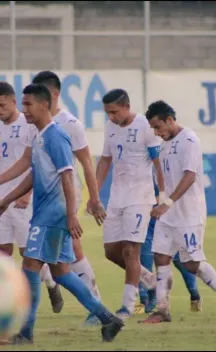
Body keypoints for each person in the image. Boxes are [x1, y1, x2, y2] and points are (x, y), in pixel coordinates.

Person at [0, 83, 123, 345]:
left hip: (52, 215)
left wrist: (71, 215)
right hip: (48, 214)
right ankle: (108, 318)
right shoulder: (39, 135)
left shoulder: (55, 135)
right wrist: (7, 199)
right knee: (61, 273)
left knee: (30, 268)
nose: (25, 110)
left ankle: (25, 332)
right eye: (23, 104)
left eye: (29, 104)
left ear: (44, 105)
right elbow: (34, 174)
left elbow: (67, 175)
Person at [139, 100, 216, 324]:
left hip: (189, 214)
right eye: (153, 128)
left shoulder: (189, 140)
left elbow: (190, 176)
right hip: (169, 214)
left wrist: (168, 203)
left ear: (170, 120)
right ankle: (163, 310)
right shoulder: (164, 144)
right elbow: (164, 176)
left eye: (158, 126)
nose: (156, 132)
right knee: (160, 257)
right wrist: (160, 199)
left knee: (191, 264)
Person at [95, 88, 164, 319]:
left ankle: (126, 307)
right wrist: (95, 194)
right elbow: (105, 160)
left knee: (130, 251)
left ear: (126, 106)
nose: (110, 117)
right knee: (111, 252)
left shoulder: (145, 126)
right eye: (107, 113)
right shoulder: (110, 128)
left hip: (140, 198)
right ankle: (151, 280)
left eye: (113, 112)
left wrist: (161, 196)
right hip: (117, 197)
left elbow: (158, 163)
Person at [136, 166, 202, 314]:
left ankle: (193, 294)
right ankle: (145, 299)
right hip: (152, 215)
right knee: (145, 257)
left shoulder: (158, 156)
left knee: (176, 258)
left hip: (162, 213)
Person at [0, 82, 35, 258]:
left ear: (14, 101)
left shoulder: (28, 124)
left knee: (27, 252)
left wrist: (28, 193)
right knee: (3, 250)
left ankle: (51, 282)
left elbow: (36, 162)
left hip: (23, 196)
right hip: (1, 197)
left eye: (1, 105)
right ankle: (8, 286)